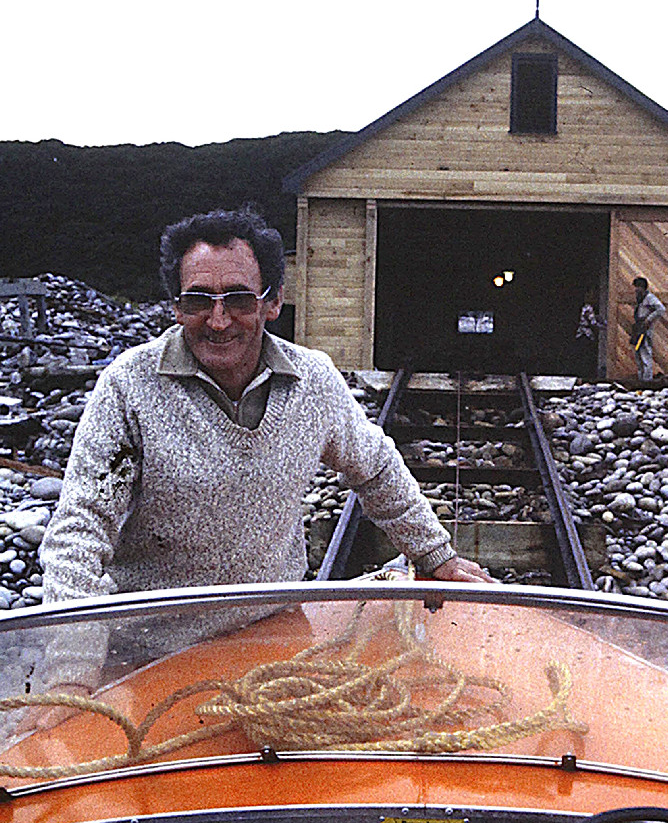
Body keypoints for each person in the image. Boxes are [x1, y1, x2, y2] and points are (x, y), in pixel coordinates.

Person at [40, 208, 493, 606]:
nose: (219, 321)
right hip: (153, 644)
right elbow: (81, 528)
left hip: (273, 628)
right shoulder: (129, 386)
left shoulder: (312, 380)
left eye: (239, 299)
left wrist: (435, 556)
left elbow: (375, 468)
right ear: (176, 307)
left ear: (272, 302)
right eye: (198, 300)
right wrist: (73, 659)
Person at [630, 276, 666, 382]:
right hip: (638, 328)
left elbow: (661, 309)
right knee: (638, 353)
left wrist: (648, 320)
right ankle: (641, 378)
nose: (636, 289)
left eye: (638, 287)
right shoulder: (640, 299)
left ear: (643, 287)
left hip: (645, 329)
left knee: (645, 353)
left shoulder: (650, 298)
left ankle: (647, 380)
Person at [574, 295, 603, 382]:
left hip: (584, 335)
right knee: (586, 355)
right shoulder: (588, 308)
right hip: (585, 335)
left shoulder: (586, 308)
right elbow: (592, 322)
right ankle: (585, 376)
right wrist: (604, 326)